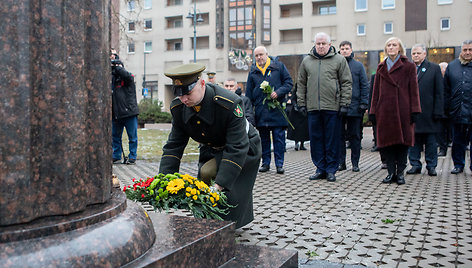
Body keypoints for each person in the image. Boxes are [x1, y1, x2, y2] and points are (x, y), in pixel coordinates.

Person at [159, 63, 262, 228]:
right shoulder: (179, 108)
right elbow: (174, 145)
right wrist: (163, 181)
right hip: (213, 146)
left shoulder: (229, 103)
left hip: (245, 146)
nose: (184, 99)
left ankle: (223, 227)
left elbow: (237, 147)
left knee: (216, 180)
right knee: (206, 185)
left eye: (188, 93)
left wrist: (219, 185)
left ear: (201, 84)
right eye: (179, 94)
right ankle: (212, 223)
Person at [297, 32, 352, 182]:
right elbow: (301, 84)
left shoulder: (339, 60)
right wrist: (301, 103)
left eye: (323, 43)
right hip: (313, 108)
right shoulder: (307, 61)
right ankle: (320, 168)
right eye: (318, 44)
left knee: (332, 140)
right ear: (315, 44)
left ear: (329, 44)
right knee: (316, 140)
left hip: (332, 107)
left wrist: (344, 104)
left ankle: (331, 170)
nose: (321, 46)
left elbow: (346, 82)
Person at [369, 37, 421, 185]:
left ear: (400, 48)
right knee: (387, 144)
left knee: (402, 143)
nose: (391, 47)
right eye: (388, 45)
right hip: (385, 111)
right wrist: (373, 111)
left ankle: (400, 174)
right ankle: (390, 172)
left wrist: (415, 110)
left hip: (403, 110)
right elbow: (375, 92)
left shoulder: (409, 66)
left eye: (394, 45)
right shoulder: (381, 67)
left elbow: (414, 90)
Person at [246, 46, 293, 174]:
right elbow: (248, 94)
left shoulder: (278, 67)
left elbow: (289, 83)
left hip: (277, 110)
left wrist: (278, 92)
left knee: (278, 139)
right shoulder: (253, 72)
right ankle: (265, 163)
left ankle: (279, 164)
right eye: (256, 56)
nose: (259, 57)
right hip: (261, 112)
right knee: (264, 139)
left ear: (267, 54)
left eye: (261, 54)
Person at [406, 44, 444, 177]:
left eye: (418, 53)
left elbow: (439, 92)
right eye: (413, 53)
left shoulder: (434, 68)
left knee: (431, 142)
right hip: (413, 113)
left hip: (429, 112)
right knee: (414, 141)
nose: (415, 55)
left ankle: (431, 165)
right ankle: (415, 164)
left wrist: (438, 111)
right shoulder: (408, 69)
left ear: (424, 54)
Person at [338, 41, 369, 172]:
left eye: (347, 48)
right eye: (342, 49)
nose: (345, 51)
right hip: (339, 107)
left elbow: (364, 84)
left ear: (351, 50)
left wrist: (364, 102)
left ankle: (355, 163)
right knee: (339, 137)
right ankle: (341, 162)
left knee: (355, 136)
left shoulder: (358, 66)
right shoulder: (336, 65)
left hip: (355, 107)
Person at [444, 40, 472, 174]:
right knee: (457, 141)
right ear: (461, 50)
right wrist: (447, 108)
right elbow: (446, 89)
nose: (467, 52)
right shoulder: (452, 66)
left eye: (470, 50)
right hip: (457, 111)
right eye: (465, 50)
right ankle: (458, 165)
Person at [111, 49, 139, 165]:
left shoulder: (127, 79)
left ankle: (132, 156)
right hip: (117, 114)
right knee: (115, 137)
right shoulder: (112, 80)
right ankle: (116, 156)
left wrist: (117, 66)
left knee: (132, 137)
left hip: (129, 112)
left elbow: (128, 76)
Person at [287, 84, 309, 151]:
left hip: (304, 111)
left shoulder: (307, 88)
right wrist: (295, 106)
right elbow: (293, 98)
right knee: (296, 129)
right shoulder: (296, 88)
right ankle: (296, 143)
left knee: (304, 129)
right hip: (295, 112)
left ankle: (302, 144)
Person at [437, 62, 451, 157]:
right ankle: (442, 148)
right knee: (441, 130)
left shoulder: (451, 79)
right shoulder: (437, 80)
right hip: (440, 110)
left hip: (450, 109)